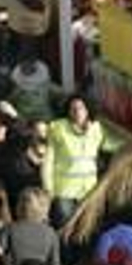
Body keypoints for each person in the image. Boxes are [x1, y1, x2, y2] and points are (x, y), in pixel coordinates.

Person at [44, 95, 104, 227]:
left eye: (81, 108)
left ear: (87, 110)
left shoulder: (96, 129)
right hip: (65, 193)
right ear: (68, 112)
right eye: (73, 109)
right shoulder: (58, 129)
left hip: (88, 191)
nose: (77, 112)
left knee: (87, 228)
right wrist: (48, 189)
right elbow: (48, 161)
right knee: (66, 228)